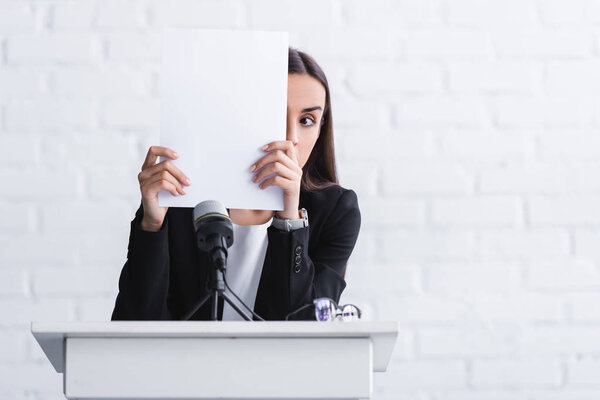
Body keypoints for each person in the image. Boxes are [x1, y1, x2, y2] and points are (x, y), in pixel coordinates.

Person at [111, 48, 361, 321]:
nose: (291, 138)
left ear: (321, 127)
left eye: (307, 121)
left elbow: (304, 326)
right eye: (275, 116)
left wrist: (290, 218)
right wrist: (152, 226)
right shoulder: (182, 195)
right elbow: (133, 323)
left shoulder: (337, 210)